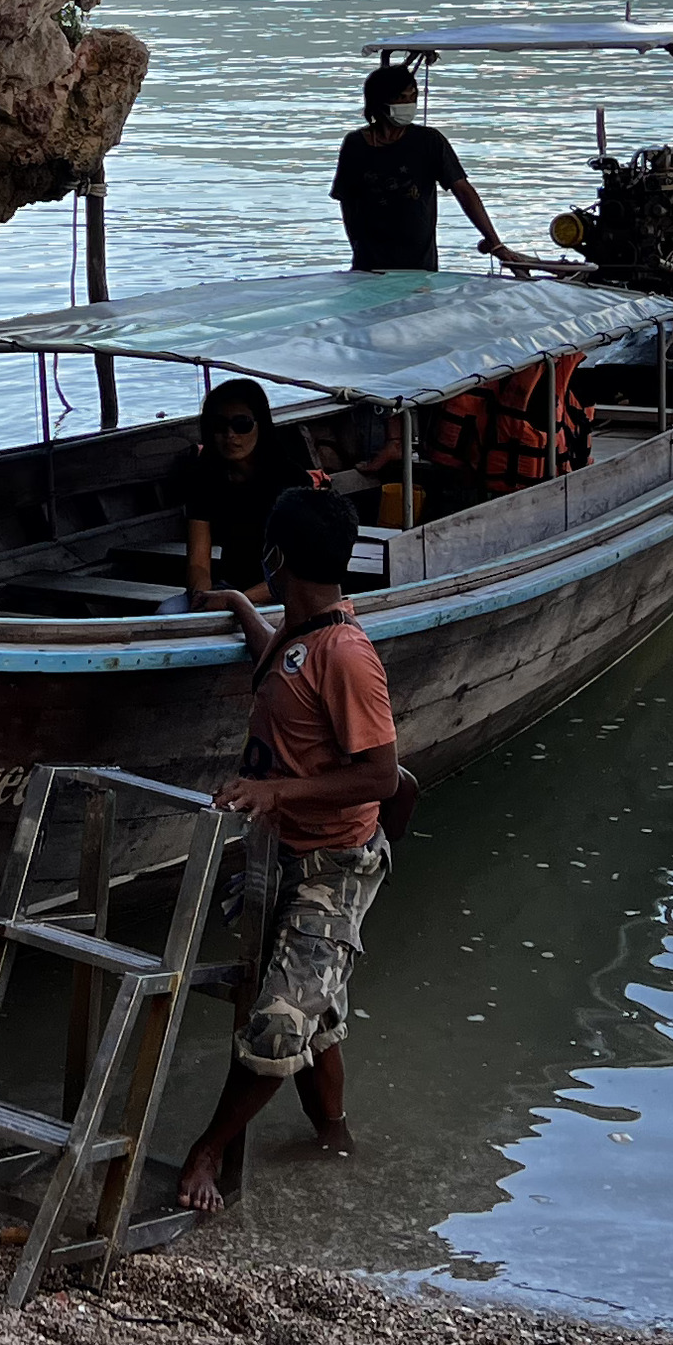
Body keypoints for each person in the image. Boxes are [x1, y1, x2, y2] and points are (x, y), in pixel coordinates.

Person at [176, 485, 402, 1214]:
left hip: (335, 862)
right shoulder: (301, 635)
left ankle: (207, 1149)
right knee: (315, 1007)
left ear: (276, 558)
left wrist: (277, 794)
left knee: (279, 1020)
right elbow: (278, 665)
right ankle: (333, 1137)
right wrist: (242, 612)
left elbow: (381, 775)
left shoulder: (345, 653)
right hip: (286, 856)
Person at [333, 64, 543, 275]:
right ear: (380, 101)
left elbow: (463, 190)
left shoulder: (429, 141)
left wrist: (495, 243)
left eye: (412, 97)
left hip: (419, 263)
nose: (408, 103)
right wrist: (356, 246)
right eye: (401, 97)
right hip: (369, 263)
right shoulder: (356, 144)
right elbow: (347, 201)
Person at [172, 377, 307, 608]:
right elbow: (198, 562)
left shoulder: (292, 481)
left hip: (283, 594)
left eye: (241, 424)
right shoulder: (204, 477)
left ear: (260, 425)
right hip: (228, 589)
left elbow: (299, 569)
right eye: (219, 426)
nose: (230, 435)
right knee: (168, 612)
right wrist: (201, 598)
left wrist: (236, 602)